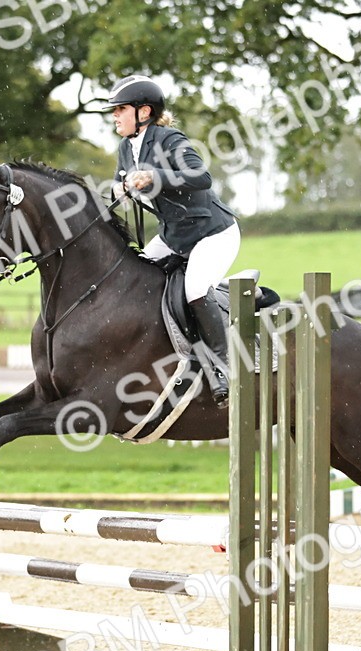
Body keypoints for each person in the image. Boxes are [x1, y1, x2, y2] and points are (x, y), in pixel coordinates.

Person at [101, 75, 240, 408]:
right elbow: (128, 187)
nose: (115, 116)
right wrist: (117, 190)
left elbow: (201, 177)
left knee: (194, 288)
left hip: (213, 234)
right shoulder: (126, 149)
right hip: (173, 236)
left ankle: (222, 366)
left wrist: (155, 177)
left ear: (144, 111)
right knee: (132, 281)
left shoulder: (168, 139)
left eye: (121, 109)